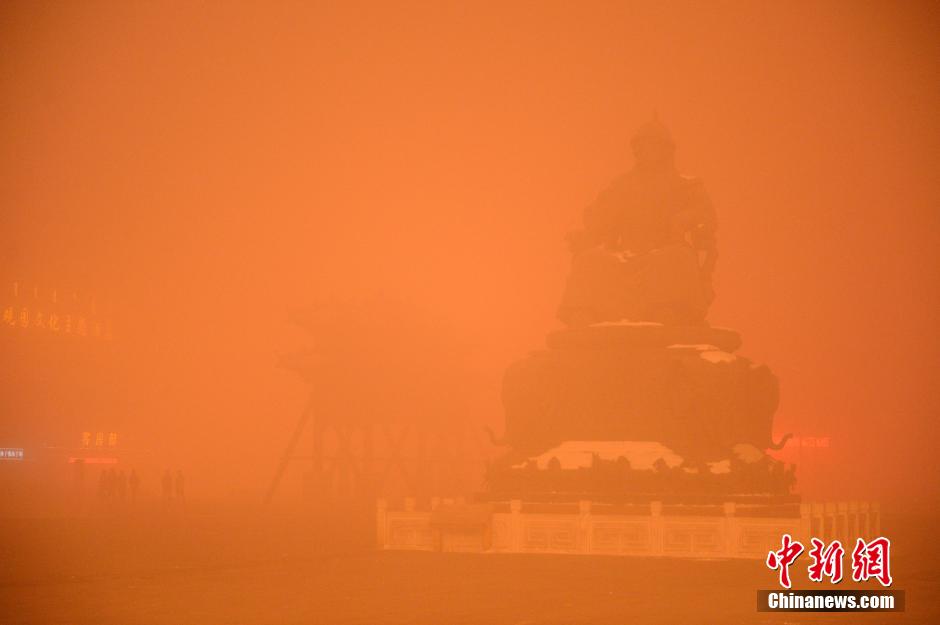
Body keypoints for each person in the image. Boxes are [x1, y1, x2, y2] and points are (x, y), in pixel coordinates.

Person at [559, 117, 718, 326]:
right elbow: (600, 216)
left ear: (666, 150)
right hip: (625, 251)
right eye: (642, 146)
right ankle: (585, 311)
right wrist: (588, 228)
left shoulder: (685, 185)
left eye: (653, 145)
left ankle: (667, 309)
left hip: (666, 247)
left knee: (677, 258)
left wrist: (684, 220)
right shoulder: (622, 185)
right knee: (589, 260)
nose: (646, 151)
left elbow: (705, 214)